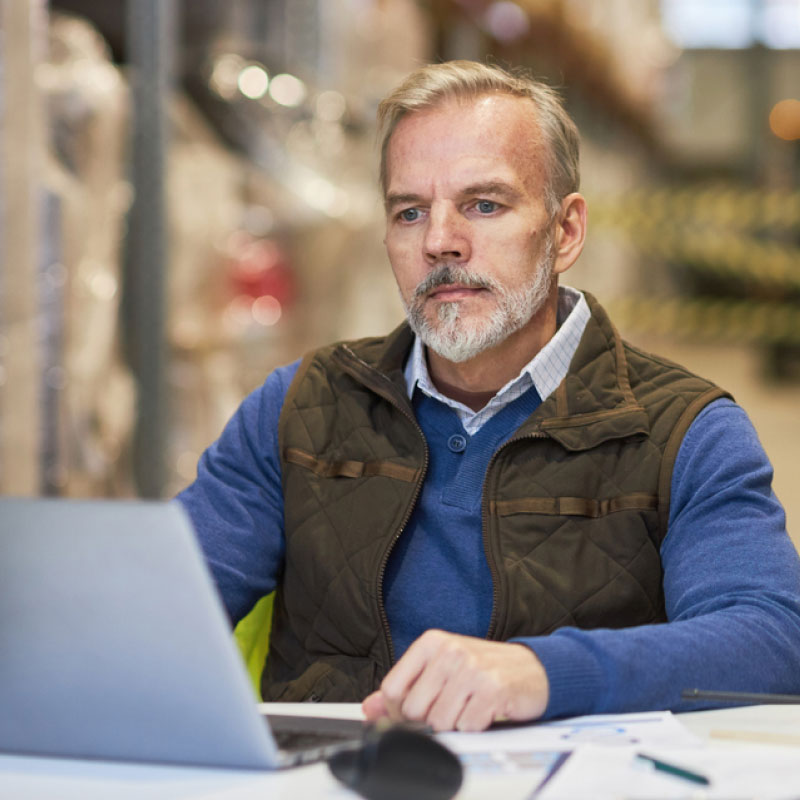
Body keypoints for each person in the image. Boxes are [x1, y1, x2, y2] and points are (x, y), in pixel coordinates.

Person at [178, 60, 800, 732]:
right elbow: (158, 603)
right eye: (410, 211)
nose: (440, 242)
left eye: (484, 204)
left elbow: (771, 641)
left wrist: (541, 674)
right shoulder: (299, 407)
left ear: (565, 232)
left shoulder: (684, 431)